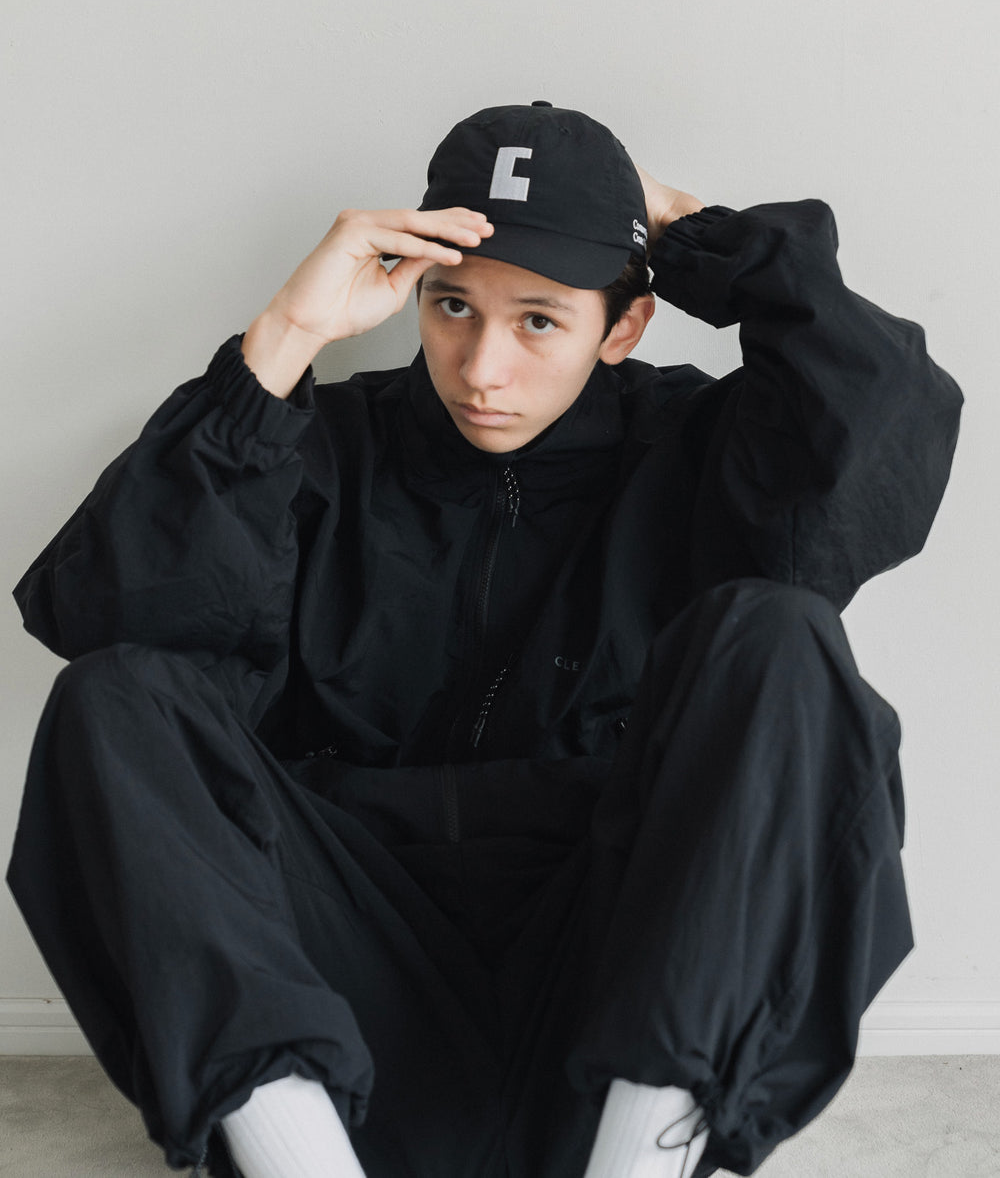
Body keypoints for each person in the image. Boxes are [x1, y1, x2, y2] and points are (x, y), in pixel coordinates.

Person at [8, 101, 962, 1178]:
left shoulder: (699, 446)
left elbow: (886, 432)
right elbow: (109, 619)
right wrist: (282, 340)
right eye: (452, 305)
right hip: (340, 997)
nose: (480, 368)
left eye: (539, 320)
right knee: (116, 691)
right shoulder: (313, 443)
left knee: (781, 634)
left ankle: (642, 1157)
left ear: (623, 329)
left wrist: (702, 241)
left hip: (612, 988)